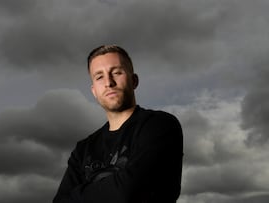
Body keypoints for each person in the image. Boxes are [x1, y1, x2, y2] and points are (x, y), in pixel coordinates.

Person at [53, 45, 183, 203]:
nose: (108, 82)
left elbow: (128, 193)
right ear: (94, 91)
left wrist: (76, 196)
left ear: (134, 81)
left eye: (116, 72)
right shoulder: (83, 149)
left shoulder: (160, 126)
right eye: (99, 76)